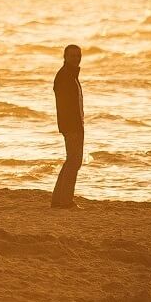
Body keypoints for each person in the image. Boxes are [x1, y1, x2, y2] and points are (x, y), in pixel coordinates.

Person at [50, 44, 85, 208]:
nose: (76, 58)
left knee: (71, 161)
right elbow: (64, 105)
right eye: (72, 56)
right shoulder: (64, 76)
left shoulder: (71, 75)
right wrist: (71, 126)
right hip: (72, 126)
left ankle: (58, 200)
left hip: (75, 124)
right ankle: (65, 201)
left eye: (78, 56)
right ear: (65, 57)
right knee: (74, 161)